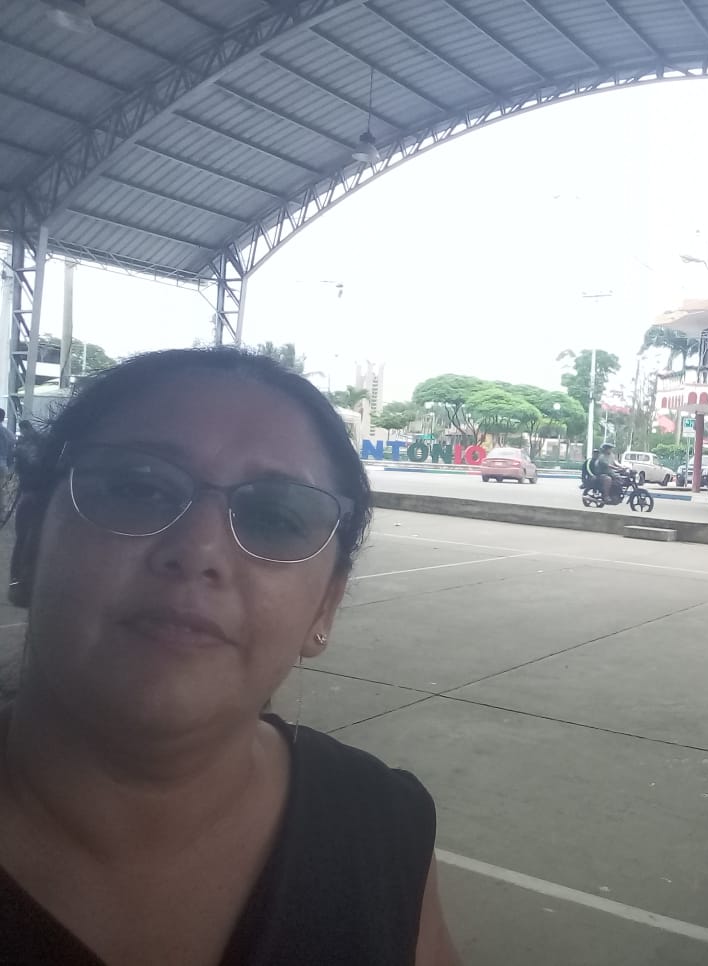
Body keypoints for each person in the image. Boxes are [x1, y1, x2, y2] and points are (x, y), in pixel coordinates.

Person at [0, 348, 460, 965]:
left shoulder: (382, 830)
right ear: (29, 543)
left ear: (325, 606)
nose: (200, 550)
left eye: (275, 516)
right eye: (139, 487)